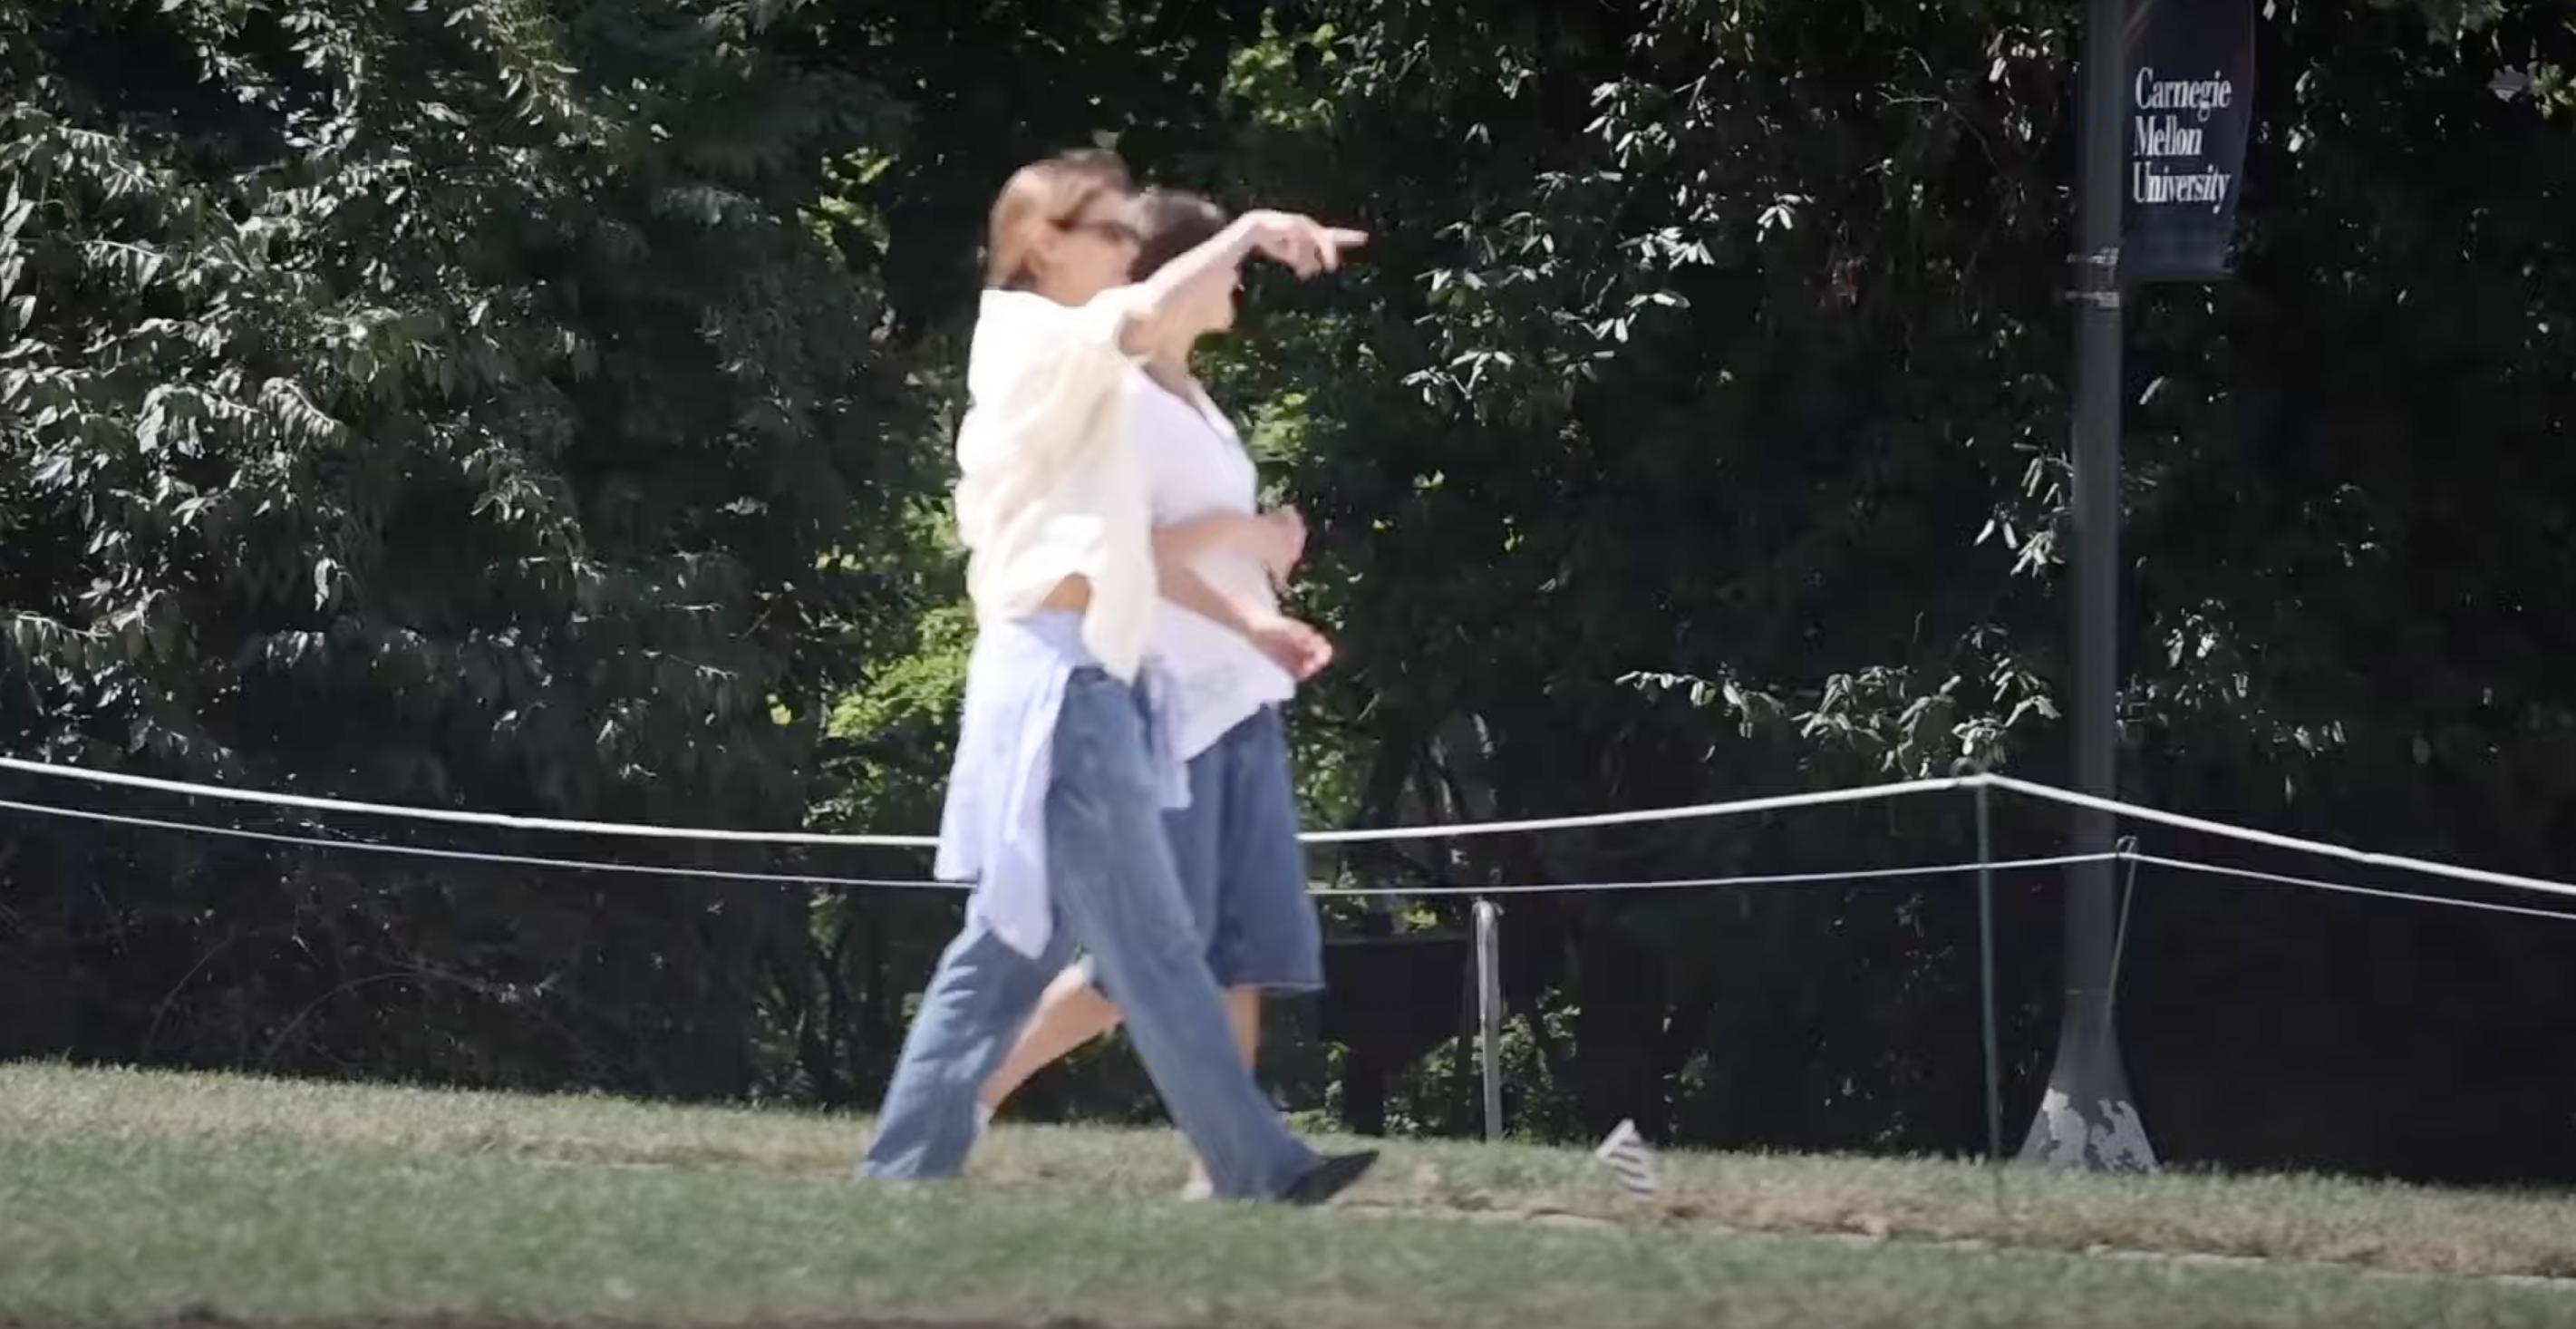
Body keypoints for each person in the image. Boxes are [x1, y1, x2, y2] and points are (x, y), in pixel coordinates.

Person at [857, 150, 1374, 1205]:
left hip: (1084, 678)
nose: (1127, 251)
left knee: (1006, 951)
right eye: (1108, 232)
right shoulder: (1030, 333)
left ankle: (903, 1172)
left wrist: (1253, 618)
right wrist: (1249, 227)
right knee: (1153, 943)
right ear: (1044, 243)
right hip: (1066, 684)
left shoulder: (1074, 358)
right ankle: (1256, 1167)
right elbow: (1137, 320)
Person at [973, 189, 1331, 1198]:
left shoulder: (1193, 401)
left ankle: (1225, 1173)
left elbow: (1201, 535)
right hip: (1171, 696)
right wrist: (1249, 558)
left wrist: (1264, 559)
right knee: (1148, 956)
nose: (1236, 282)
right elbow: (1124, 552)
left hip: (1239, 692)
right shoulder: (1123, 402)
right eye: (1224, 263)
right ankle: (969, 1091)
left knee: (1238, 944)